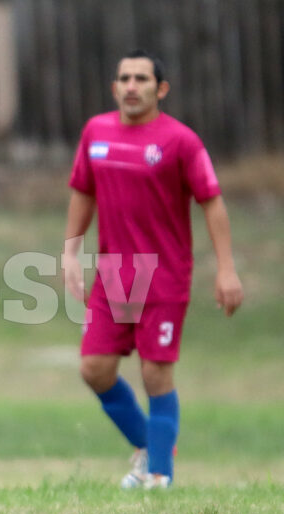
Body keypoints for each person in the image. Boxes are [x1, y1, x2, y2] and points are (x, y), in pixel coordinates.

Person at [63, 49, 244, 489]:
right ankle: (153, 447)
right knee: (94, 369)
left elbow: (212, 202)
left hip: (164, 276)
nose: (131, 86)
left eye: (141, 79)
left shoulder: (180, 141)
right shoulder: (96, 132)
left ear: (160, 89)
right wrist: (71, 252)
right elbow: (83, 191)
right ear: (114, 87)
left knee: (155, 373)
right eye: (124, 78)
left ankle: (160, 474)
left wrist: (226, 269)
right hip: (114, 277)